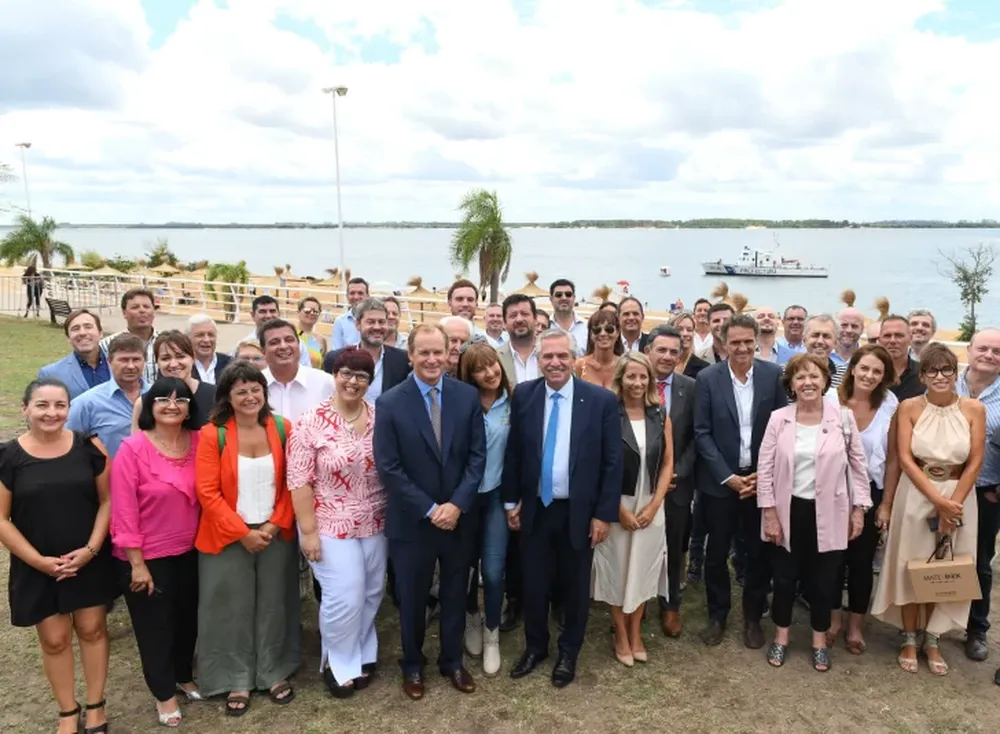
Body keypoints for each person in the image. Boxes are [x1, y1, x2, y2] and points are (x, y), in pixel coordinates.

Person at [503, 329, 623, 688]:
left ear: (574, 359)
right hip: (535, 509)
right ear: (539, 360)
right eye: (548, 356)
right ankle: (536, 647)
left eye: (562, 356)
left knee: (574, 587)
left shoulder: (600, 401)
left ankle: (569, 651)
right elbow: (514, 452)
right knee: (534, 583)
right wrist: (511, 501)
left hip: (579, 512)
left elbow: (612, 462)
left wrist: (603, 514)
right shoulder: (525, 394)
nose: (555, 363)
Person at [374, 325, 486, 699]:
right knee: (412, 598)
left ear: (448, 353)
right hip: (412, 521)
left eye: (438, 351)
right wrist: (429, 508)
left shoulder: (466, 396)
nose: (432, 359)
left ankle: (452, 662)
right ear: (410, 355)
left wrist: (456, 505)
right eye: (424, 352)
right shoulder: (390, 403)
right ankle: (412, 664)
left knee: (456, 594)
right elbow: (389, 467)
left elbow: (477, 457)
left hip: (458, 518)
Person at [0, 379, 118, 734]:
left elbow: (107, 501)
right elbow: (1, 519)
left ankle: (96, 706)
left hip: (88, 559)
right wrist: (38, 561)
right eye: (42, 405)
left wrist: (91, 550)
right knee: (54, 640)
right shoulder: (8, 457)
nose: (51, 413)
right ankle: (67, 710)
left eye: (60, 405)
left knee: (92, 630)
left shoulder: (89, 447)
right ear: (25, 409)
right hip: (36, 563)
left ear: (69, 409)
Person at [871, 344, 986, 676]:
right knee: (913, 564)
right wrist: (937, 501)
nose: (939, 376)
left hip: (958, 495)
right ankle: (909, 637)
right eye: (932, 370)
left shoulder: (974, 409)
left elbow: (975, 460)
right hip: (917, 493)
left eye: (946, 369)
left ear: (955, 373)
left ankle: (932, 638)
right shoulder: (908, 407)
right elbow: (905, 458)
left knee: (944, 566)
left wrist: (952, 505)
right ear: (922, 376)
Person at [194, 362, 300, 715]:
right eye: (241, 391)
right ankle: (234, 676)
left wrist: (272, 526)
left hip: (274, 533)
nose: (250, 396)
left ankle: (273, 670)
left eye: (255, 389)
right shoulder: (213, 434)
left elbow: (293, 483)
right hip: (226, 536)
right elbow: (207, 492)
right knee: (229, 607)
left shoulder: (282, 428)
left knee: (274, 603)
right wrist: (242, 533)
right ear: (227, 396)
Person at [756, 355, 872, 671]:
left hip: (832, 512)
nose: (807, 382)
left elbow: (859, 468)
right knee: (784, 578)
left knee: (824, 581)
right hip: (788, 510)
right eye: (800, 377)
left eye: (814, 376)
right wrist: (769, 513)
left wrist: (859, 510)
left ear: (825, 381)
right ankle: (781, 637)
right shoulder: (778, 418)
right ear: (791, 385)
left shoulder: (843, 419)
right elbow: (765, 469)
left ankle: (819, 641)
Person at [289, 348, 387, 698]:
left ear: (370, 381)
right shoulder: (310, 422)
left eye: (361, 376)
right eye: (346, 373)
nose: (353, 381)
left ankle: (362, 648)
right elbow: (298, 480)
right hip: (329, 523)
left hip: (375, 520)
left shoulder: (379, 417)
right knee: (345, 593)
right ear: (334, 375)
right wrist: (309, 532)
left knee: (372, 590)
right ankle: (338, 661)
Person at [110, 377, 202, 726]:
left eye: (181, 400)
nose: (172, 405)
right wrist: (137, 563)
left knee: (187, 619)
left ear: (190, 408)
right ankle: (164, 693)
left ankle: (183, 674)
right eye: (163, 398)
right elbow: (123, 510)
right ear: (150, 405)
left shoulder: (200, 441)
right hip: (146, 556)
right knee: (155, 627)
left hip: (193, 550)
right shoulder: (132, 449)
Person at [694, 314, 787, 648]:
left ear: (756, 340)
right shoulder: (707, 378)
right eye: (736, 342)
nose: (743, 348)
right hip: (720, 483)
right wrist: (728, 477)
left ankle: (752, 618)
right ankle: (717, 615)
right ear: (724, 342)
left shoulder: (773, 375)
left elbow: (782, 427)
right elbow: (702, 432)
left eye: (749, 341)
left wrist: (763, 474)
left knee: (757, 554)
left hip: (761, 480)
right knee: (717, 552)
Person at [593, 352, 672, 666]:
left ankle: (636, 632)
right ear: (621, 379)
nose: (637, 383)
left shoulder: (660, 413)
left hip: (650, 504)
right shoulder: (607, 413)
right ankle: (620, 634)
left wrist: (654, 505)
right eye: (631, 376)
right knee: (617, 569)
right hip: (618, 504)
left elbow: (667, 463)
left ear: (650, 380)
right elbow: (598, 465)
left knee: (642, 570)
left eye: (643, 376)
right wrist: (616, 509)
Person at [825, 344, 899, 654]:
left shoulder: (890, 404)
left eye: (877, 371)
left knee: (861, 562)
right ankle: (832, 621)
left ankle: (856, 626)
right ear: (853, 368)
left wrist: (886, 504)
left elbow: (893, 459)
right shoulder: (831, 400)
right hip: (830, 491)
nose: (869, 375)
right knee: (832, 560)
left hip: (869, 491)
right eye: (864, 368)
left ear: (884, 376)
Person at [456, 342, 513, 676]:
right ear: (469, 375)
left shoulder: (513, 400)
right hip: (464, 499)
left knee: (492, 570)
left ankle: (492, 631)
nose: (489, 373)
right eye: (479, 369)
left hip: (496, 497)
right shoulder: (462, 402)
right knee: (465, 568)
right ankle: (471, 618)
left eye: (493, 364)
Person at [644, 326, 697, 638]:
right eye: (661, 350)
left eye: (673, 352)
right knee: (639, 544)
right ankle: (637, 601)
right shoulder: (633, 382)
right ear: (648, 350)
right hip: (640, 484)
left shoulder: (690, 387)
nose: (667, 356)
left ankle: (670, 603)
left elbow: (697, 434)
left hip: (677, 484)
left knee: (673, 547)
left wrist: (677, 471)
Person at [958, 329, 1000, 661]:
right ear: (969, 350)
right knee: (934, 553)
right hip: (942, 488)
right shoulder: (945, 383)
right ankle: (931, 623)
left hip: (986, 493)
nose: (988, 355)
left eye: (996, 351)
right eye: (983, 348)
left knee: (979, 563)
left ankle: (976, 628)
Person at [67, 334, 149, 459]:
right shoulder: (86, 403)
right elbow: (69, 446)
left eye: (136, 359)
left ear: (145, 362)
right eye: (124, 360)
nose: (131, 366)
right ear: (109, 362)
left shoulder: (158, 397)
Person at [322, 297, 410, 402]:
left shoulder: (402, 360)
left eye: (381, 322)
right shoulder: (335, 359)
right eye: (371, 322)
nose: (377, 327)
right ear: (357, 325)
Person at [130, 331, 215, 431]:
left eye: (180, 356)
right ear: (157, 362)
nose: (173, 364)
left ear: (193, 358)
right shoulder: (143, 403)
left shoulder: (216, 396)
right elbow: (136, 440)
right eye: (165, 358)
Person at [259, 319, 334, 422]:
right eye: (274, 342)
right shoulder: (256, 385)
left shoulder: (326, 382)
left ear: (299, 345)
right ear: (263, 351)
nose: (283, 346)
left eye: (289, 340)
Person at [39, 309, 110, 399]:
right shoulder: (51, 374)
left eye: (88, 327)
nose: (82, 333)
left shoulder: (121, 364)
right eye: (75, 329)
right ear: (68, 338)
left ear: (100, 333)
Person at [99, 288, 159, 383]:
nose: (142, 310)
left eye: (146, 307)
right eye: (135, 307)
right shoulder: (106, 344)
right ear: (124, 313)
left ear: (153, 311)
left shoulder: (166, 343)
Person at [240, 296, 310, 367]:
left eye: (272, 311)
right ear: (253, 315)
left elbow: (306, 370)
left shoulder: (298, 345)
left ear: (279, 313)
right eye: (263, 311)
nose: (268, 315)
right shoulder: (244, 346)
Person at [879, 315, 925, 401]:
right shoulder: (869, 373)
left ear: (910, 339)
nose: (892, 340)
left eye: (899, 335)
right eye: (887, 336)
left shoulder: (924, 373)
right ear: (879, 340)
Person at [573, 310, 623, 390]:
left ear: (618, 333)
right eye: (597, 330)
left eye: (609, 329)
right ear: (591, 334)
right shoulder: (579, 366)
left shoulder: (624, 366)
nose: (603, 334)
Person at [497, 294, 539, 386]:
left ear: (535, 319)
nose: (519, 319)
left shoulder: (551, 354)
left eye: (525, 314)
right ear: (504, 323)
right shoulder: (495, 358)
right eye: (513, 315)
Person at [803, 314, 848, 389]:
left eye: (826, 336)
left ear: (835, 343)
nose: (820, 341)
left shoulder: (846, 376)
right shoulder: (788, 372)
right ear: (804, 340)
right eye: (815, 335)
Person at [186, 314, 231, 385]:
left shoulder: (230, 364)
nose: (206, 340)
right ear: (188, 338)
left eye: (211, 335)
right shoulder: (182, 366)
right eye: (200, 335)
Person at [548, 279, 588, 357]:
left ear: (574, 298)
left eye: (568, 294)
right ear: (551, 299)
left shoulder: (587, 327)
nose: (564, 298)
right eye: (559, 295)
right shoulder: (545, 326)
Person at [331, 277, 371, 350]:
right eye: (352, 293)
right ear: (347, 296)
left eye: (360, 293)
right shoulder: (340, 321)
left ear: (368, 296)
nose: (356, 297)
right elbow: (336, 350)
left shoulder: (376, 321)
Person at [669, 311, 710, 378]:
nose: (685, 334)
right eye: (679, 329)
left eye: (689, 330)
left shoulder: (703, 368)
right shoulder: (662, 362)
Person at [297, 296, 328, 369]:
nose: (311, 313)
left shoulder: (321, 340)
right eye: (307, 310)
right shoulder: (291, 334)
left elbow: (323, 367)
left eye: (315, 311)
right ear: (298, 312)